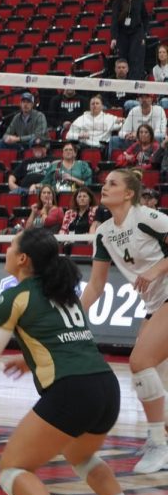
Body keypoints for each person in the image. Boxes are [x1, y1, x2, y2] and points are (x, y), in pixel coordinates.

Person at [0, 228, 129, 495]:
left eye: (11, 246)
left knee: (12, 470)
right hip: (106, 387)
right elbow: (66, 341)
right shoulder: (62, 289)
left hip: (72, 390)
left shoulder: (14, 295)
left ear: (22, 259)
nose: (7, 250)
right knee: (82, 457)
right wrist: (30, 360)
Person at [84, 168, 168, 474]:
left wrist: (156, 270)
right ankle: (162, 438)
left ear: (129, 193)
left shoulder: (148, 217)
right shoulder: (104, 232)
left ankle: (159, 444)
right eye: (105, 183)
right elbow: (95, 285)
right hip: (155, 304)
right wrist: (73, 316)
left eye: (112, 183)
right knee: (151, 375)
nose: (104, 187)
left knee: (140, 361)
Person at [111, 0, 148, 80]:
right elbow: (114, 21)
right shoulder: (118, 1)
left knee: (135, 58)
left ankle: (134, 85)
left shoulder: (139, 0)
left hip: (136, 32)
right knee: (123, 59)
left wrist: (144, 34)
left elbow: (145, 17)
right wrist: (114, 37)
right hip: (122, 33)